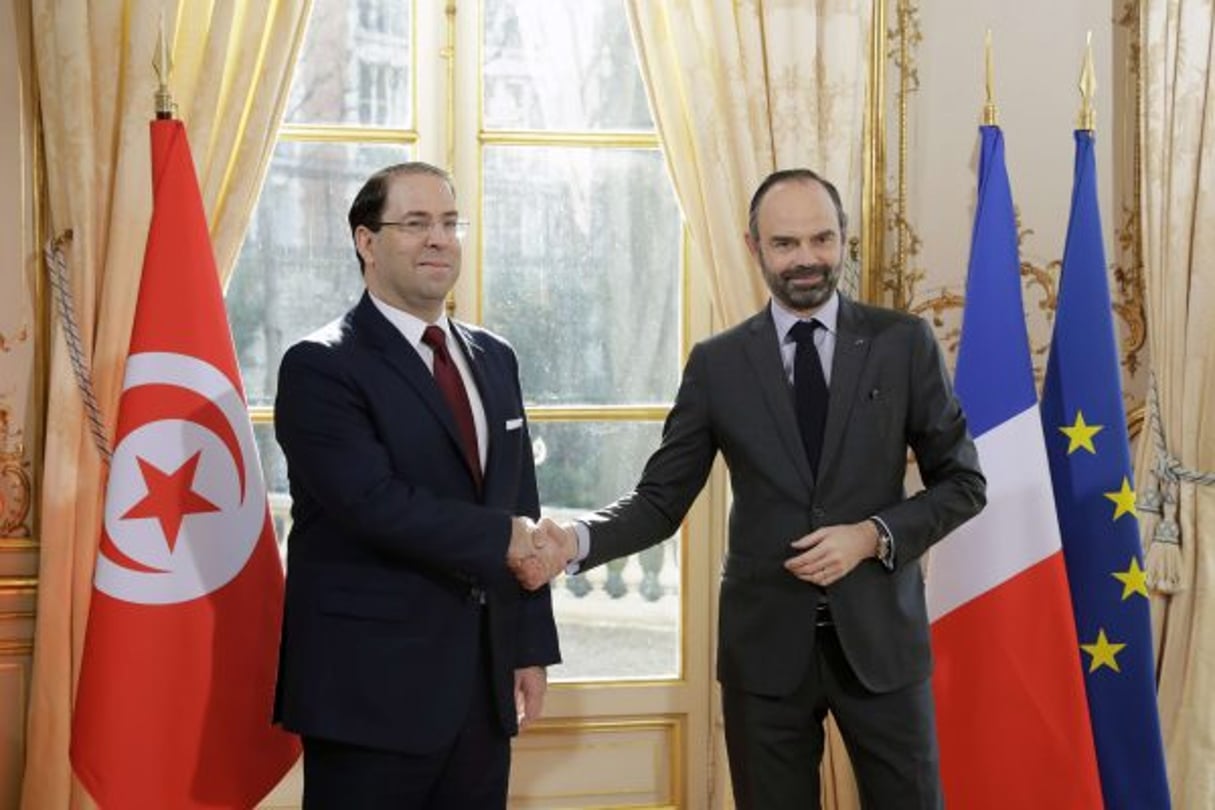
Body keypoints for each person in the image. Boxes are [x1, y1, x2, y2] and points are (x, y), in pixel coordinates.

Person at [525, 168, 987, 809]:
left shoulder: (902, 343)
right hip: (764, 654)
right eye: (786, 244)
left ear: (843, 239)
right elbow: (660, 501)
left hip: (882, 648)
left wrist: (870, 536)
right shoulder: (716, 365)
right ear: (754, 247)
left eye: (822, 240)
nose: (807, 259)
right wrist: (573, 539)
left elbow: (963, 483)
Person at [273, 162, 565, 809]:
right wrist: (509, 537)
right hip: (367, 693)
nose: (439, 238)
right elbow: (372, 504)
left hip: (481, 691)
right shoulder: (320, 366)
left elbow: (520, 501)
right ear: (366, 242)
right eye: (414, 223)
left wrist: (528, 647)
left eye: (448, 222)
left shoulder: (495, 357)